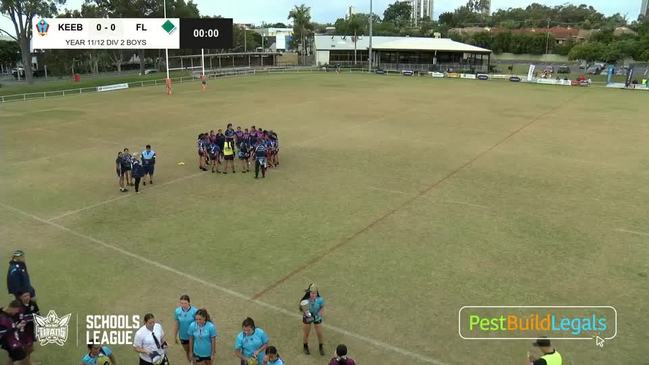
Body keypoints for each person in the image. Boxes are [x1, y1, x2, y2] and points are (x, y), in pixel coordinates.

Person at [300, 283, 325, 355]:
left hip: (317, 317)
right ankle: (305, 346)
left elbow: (322, 307)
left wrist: (318, 315)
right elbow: (303, 309)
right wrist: (307, 314)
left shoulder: (320, 299)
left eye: (315, 293)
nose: (313, 295)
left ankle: (321, 347)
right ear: (309, 293)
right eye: (312, 293)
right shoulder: (305, 301)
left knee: (319, 333)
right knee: (306, 333)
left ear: (317, 293)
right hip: (308, 317)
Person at [0, 300, 26, 365]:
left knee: (13, 357)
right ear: (12, 308)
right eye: (17, 310)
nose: (17, 312)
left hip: (12, 338)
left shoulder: (8, 313)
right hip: (7, 341)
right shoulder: (2, 318)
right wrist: (16, 327)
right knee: (21, 355)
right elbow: (3, 333)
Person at [174, 295, 198, 365]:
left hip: (194, 336)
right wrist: (175, 336)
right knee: (187, 351)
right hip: (183, 336)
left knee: (194, 351)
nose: (183, 305)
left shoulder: (195, 311)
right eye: (181, 303)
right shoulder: (177, 311)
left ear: (189, 303)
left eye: (185, 303)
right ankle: (191, 362)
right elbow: (177, 324)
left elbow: (199, 323)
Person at [17, 291, 39, 365]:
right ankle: (27, 362)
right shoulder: (18, 306)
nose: (27, 297)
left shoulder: (33, 304)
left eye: (28, 295)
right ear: (20, 297)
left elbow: (37, 314)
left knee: (30, 348)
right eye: (25, 296)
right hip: (21, 331)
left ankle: (26, 362)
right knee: (28, 348)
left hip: (30, 329)